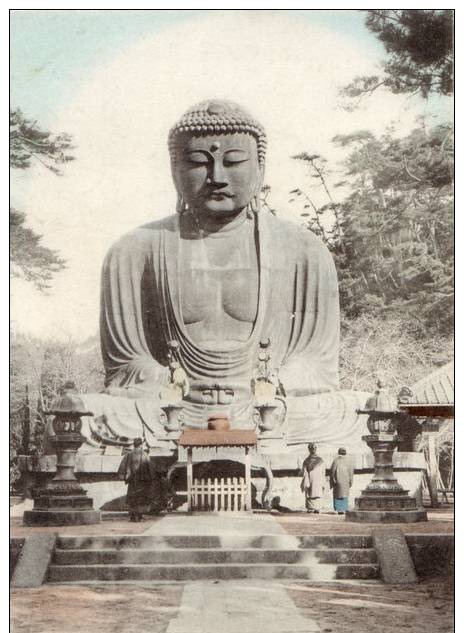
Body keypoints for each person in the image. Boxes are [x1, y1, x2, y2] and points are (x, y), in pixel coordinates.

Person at [81, 99, 369, 449]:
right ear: (174, 169)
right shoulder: (133, 250)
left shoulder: (304, 249)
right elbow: (126, 365)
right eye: (199, 163)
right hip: (169, 407)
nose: (217, 177)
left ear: (261, 168)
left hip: (270, 406)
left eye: (233, 162)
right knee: (89, 414)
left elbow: (316, 364)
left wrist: (272, 387)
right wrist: (171, 385)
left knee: (353, 411)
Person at [117, 438, 153, 521]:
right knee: (141, 497)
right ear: (141, 445)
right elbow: (150, 468)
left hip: (132, 480)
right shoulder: (145, 455)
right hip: (142, 481)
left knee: (132, 498)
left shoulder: (129, 454)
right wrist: (150, 479)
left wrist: (124, 476)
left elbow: (123, 467)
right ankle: (139, 516)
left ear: (134, 444)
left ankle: (133, 516)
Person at [300, 443, 325, 513]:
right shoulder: (321, 460)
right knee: (318, 492)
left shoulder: (306, 461)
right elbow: (323, 472)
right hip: (319, 481)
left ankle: (310, 508)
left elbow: (304, 472)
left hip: (310, 480)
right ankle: (317, 507)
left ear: (309, 450)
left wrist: (305, 482)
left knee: (310, 492)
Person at [329, 447, 354, 514]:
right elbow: (351, 473)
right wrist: (351, 482)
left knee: (337, 494)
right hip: (346, 481)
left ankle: (338, 509)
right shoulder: (349, 461)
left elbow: (332, 472)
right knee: (344, 495)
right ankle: (344, 509)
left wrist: (332, 481)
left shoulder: (336, 460)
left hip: (338, 482)